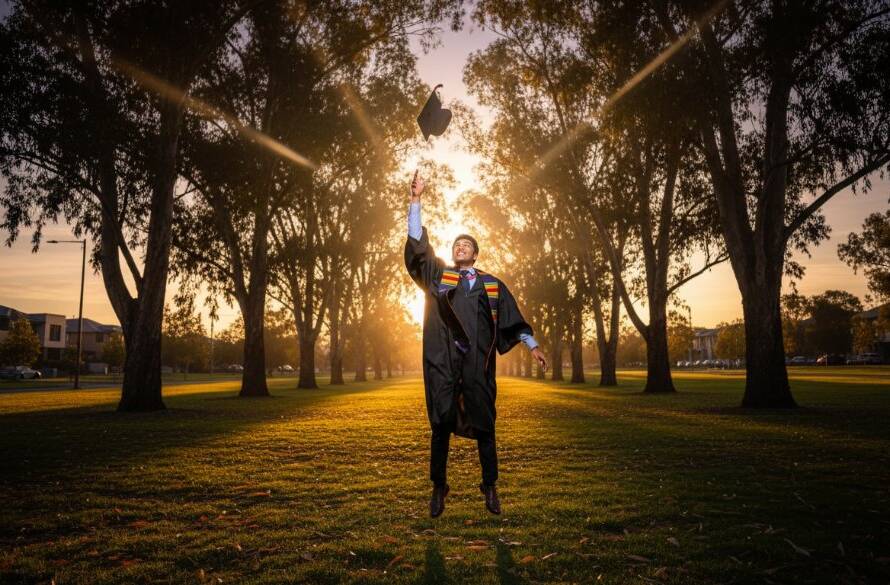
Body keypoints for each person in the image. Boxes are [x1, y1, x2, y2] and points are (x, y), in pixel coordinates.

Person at [404, 170, 547, 518]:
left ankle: (490, 485)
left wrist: (532, 345)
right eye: (456, 245)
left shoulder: (492, 285)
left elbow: (513, 319)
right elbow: (419, 249)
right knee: (440, 423)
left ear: (476, 254)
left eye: (466, 245)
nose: (460, 247)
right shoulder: (441, 277)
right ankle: (439, 486)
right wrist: (416, 200)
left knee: (485, 424)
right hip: (445, 361)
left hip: (477, 365)